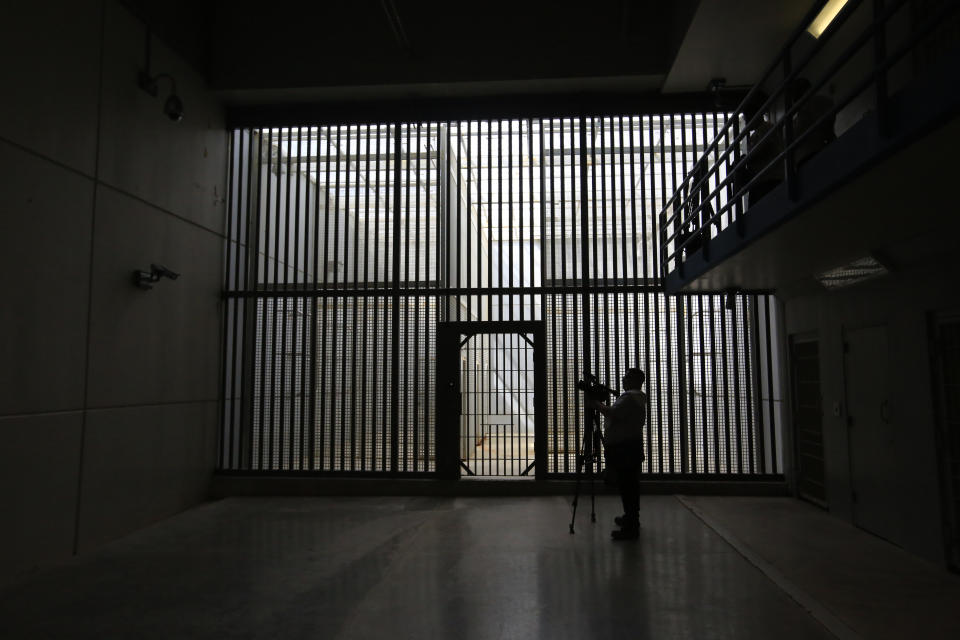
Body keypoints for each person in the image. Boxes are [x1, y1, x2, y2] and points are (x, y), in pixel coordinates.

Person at [592, 368, 647, 540]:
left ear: (634, 380)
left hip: (625, 449)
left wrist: (595, 404)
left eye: (626, 377)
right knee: (630, 485)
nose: (623, 380)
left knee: (627, 486)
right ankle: (631, 518)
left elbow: (612, 413)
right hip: (632, 447)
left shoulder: (630, 397)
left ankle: (631, 527)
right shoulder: (638, 397)